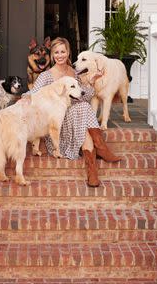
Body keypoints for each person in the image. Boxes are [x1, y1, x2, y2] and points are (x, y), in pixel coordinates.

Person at [27, 37, 121, 187]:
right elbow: (32, 94)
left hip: (76, 118)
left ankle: (93, 173)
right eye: (56, 52)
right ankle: (101, 147)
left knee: (82, 108)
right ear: (52, 54)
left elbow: (85, 96)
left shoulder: (75, 74)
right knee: (83, 109)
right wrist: (21, 101)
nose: (60, 55)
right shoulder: (46, 75)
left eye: (63, 51)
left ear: (68, 52)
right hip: (57, 127)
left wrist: (91, 82)